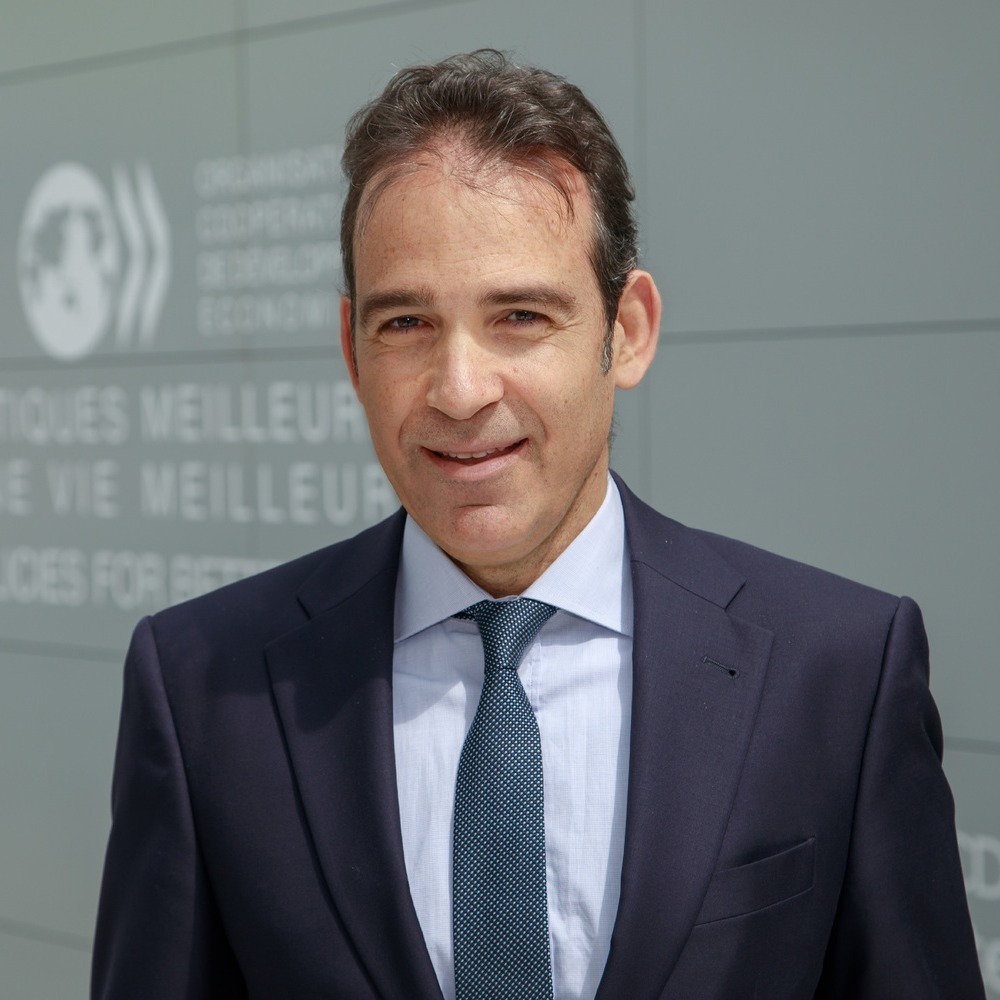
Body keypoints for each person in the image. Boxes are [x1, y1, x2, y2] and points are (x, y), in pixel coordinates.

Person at [92, 50, 984, 999]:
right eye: (406, 324)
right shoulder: (202, 689)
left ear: (626, 332)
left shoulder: (837, 673)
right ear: (352, 352)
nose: (460, 390)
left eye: (520, 315)